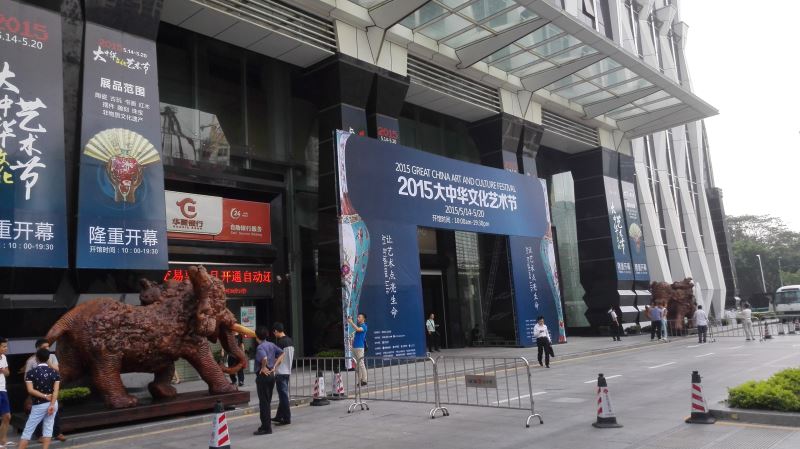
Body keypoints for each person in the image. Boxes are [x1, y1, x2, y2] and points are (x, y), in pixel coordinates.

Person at [23, 339, 65, 443]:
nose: (47, 349)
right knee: (37, 413)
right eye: (44, 347)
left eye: (48, 347)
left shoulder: (52, 357)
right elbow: (26, 377)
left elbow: (57, 370)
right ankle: (39, 435)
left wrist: (48, 362)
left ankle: (57, 433)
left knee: (54, 411)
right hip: (38, 392)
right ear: (38, 348)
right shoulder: (31, 360)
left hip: (51, 390)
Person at [17, 348, 60, 449]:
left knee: (28, 430)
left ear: (36, 358)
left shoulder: (31, 373)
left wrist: (44, 396)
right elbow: (56, 391)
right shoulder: (55, 373)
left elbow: (30, 390)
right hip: (53, 403)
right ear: (48, 358)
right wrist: (52, 404)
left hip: (39, 404)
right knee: (48, 428)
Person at [253, 326, 284, 436]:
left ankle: (266, 427)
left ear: (257, 336)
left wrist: (263, 367)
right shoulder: (271, 344)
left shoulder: (260, 347)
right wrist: (275, 366)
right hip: (271, 375)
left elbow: (264, 358)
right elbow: (282, 353)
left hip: (263, 376)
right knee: (267, 401)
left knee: (264, 403)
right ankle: (266, 425)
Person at [272, 322, 294, 426]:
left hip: (281, 372)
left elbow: (278, 359)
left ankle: (286, 418)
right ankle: (279, 416)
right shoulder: (290, 340)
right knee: (283, 395)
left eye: (274, 333)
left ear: (276, 331)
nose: (274, 335)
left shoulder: (280, 343)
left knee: (283, 396)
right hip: (288, 371)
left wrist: (273, 366)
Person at [347, 313, 368, 386]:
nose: (358, 318)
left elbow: (358, 329)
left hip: (359, 347)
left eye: (359, 317)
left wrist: (351, 322)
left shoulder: (364, 326)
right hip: (355, 347)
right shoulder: (359, 326)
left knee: (361, 363)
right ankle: (359, 380)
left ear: (363, 319)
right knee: (357, 365)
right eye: (358, 317)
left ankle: (364, 380)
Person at [0, 337, 11, 449]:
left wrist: (3, 370)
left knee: (7, 416)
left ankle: (2, 441)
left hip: (3, 390)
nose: (6, 348)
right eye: (4, 346)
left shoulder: (4, 357)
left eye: (6, 346)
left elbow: (7, 373)